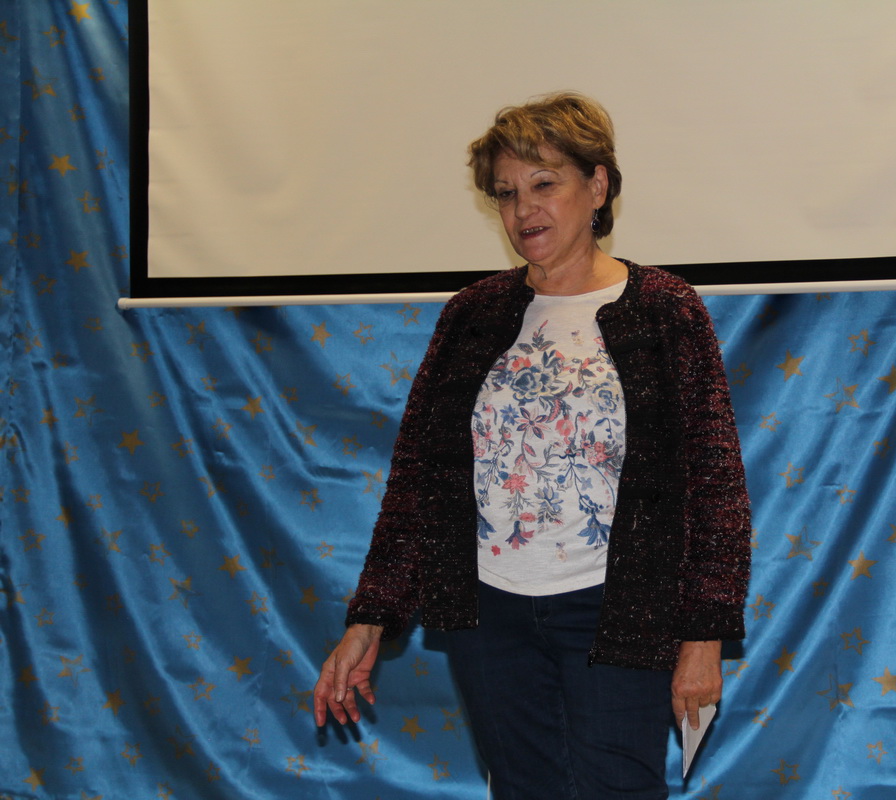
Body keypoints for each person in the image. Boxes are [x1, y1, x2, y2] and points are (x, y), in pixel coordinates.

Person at [313, 92, 751, 800]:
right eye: (506, 192)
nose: (524, 210)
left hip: (618, 609)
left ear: (597, 185)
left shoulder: (666, 310)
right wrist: (370, 617)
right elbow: (418, 481)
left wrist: (703, 638)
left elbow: (716, 486)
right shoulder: (472, 314)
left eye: (544, 184)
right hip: (490, 615)